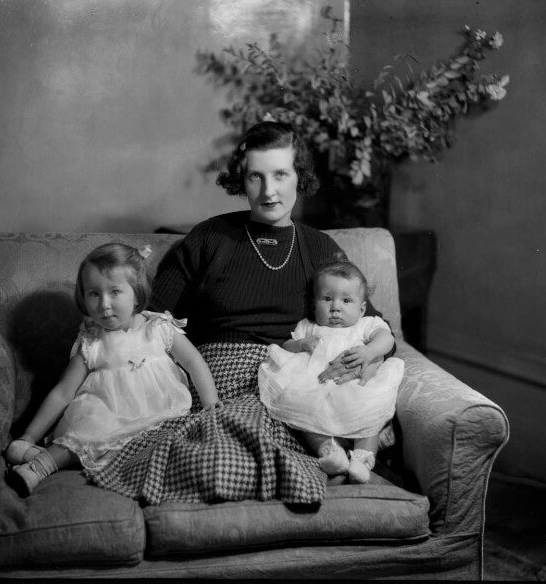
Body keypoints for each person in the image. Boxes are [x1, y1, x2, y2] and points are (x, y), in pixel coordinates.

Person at [89, 120, 396, 505]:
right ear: (241, 181)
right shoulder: (209, 238)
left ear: (299, 177)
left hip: (287, 377)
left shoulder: (320, 248)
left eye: (281, 174)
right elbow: (149, 318)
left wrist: (372, 356)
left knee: (256, 435)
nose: (269, 192)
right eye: (256, 177)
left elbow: (374, 324)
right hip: (214, 377)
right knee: (220, 444)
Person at [4, 242, 220, 497]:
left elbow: (194, 362)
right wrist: (29, 434)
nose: (104, 304)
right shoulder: (92, 342)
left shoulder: (158, 328)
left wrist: (211, 404)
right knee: (86, 435)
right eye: (94, 294)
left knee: (173, 441)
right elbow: (63, 393)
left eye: (115, 292)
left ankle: (40, 456)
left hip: (157, 415)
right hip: (106, 414)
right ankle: (37, 467)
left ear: (137, 294)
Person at [258, 260, 405, 484]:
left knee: (369, 415)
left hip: (355, 388)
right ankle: (331, 452)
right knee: (304, 413)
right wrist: (301, 345)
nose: (335, 307)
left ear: (362, 308)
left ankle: (363, 460)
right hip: (315, 387)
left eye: (346, 300)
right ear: (313, 303)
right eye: (327, 299)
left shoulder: (365, 324)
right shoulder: (308, 327)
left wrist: (369, 351)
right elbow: (287, 347)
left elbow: (386, 339)